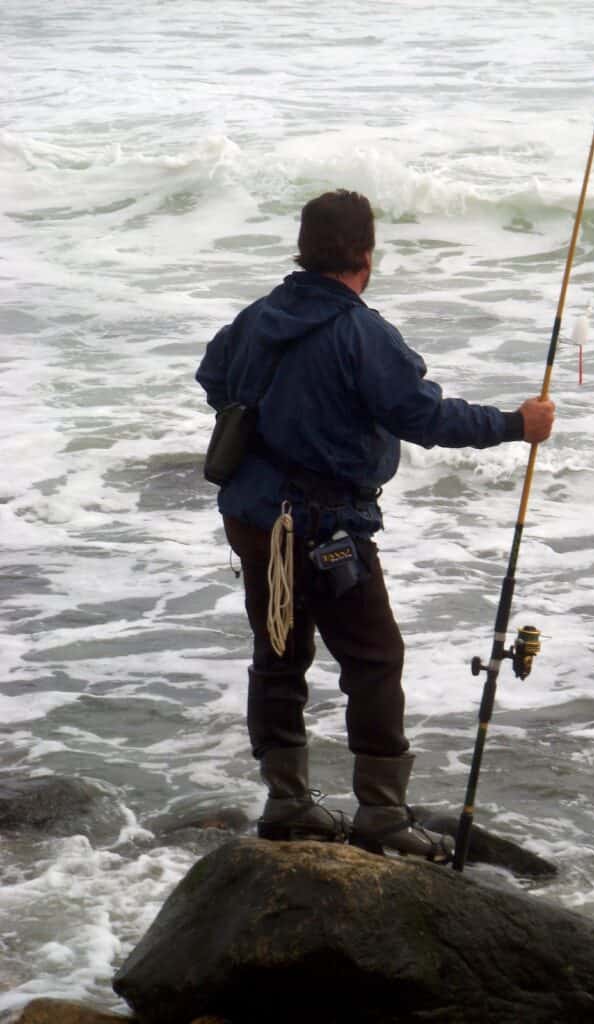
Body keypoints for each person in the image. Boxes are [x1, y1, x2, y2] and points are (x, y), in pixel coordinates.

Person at [196, 189, 555, 863]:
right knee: (374, 658)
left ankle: (287, 801)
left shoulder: (257, 316)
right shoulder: (362, 332)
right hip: (323, 525)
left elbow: (213, 376)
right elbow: (423, 417)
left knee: (279, 651)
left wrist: (282, 423)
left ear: (305, 248)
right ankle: (382, 815)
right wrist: (515, 425)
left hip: (251, 516)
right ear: (365, 253)